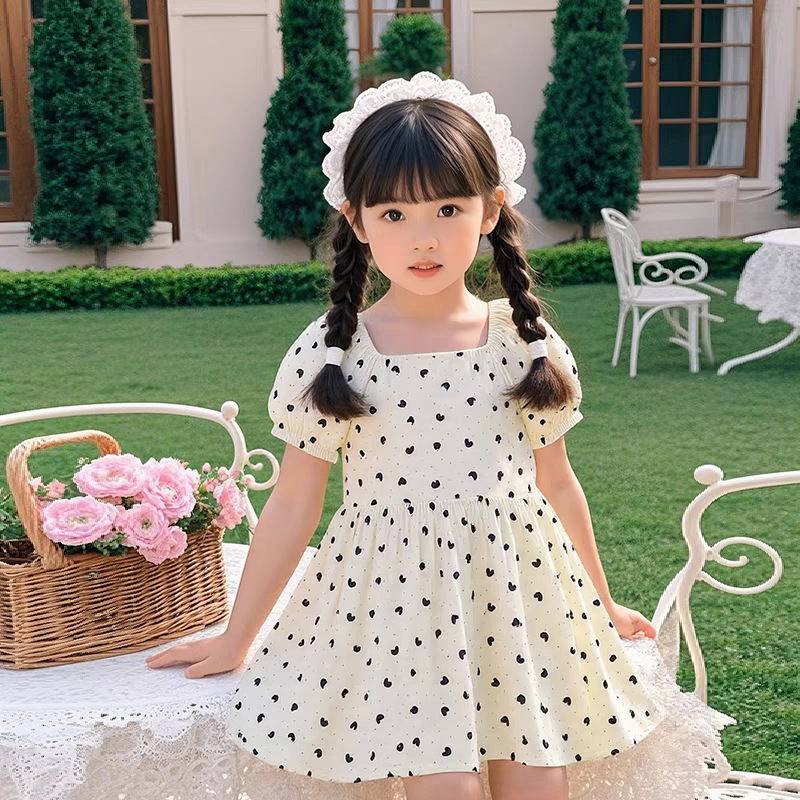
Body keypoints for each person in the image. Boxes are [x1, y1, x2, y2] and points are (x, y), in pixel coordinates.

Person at [145, 72, 735, 800]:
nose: (422, 238)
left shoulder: (524, 342)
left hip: (519, 595)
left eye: (448, 208)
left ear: (491, 210)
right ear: (357, 220)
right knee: (444, 787)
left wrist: (602, 603)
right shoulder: (334, 353)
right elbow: (294, 502)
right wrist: (239, 637)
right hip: (393, 604)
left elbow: (556, 483)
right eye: (393, 213)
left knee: (539, 782)